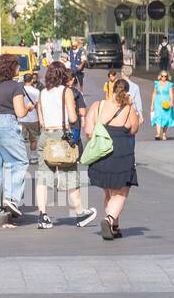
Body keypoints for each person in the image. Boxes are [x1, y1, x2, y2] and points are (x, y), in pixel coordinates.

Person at [34, 63, 97, 230]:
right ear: (63, 75)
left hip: (45, 135)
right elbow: (72, 116)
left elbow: (40, 119)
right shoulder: (66, 91)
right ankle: (80, 212)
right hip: (61, 135)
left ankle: (42, 215)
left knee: (43, 175)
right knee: (69, 173)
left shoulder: (42, 93)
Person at [86, 78, 141, 241]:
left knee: (109, 191)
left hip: (102, 152)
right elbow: (134, 129)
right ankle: (109, 219)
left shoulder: (97, 105)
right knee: (122, 192)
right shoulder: (128, 108)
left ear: (111, 89)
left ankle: (114, 227)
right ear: (127, 91)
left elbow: (88, 131)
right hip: (121, 152)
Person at [0, 54, 33, 222]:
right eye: (17, 66)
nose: (19, 69)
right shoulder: (15, 86)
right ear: (11, 68)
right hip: (5, 123)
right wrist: (28, 108)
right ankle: (11, 198)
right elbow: (19, 113)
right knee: (19, 161)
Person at [20, 72, 41, 165]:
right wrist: (40, 118)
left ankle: (22, 157)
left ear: (24, 80)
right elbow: (37, 106)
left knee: (20, 139)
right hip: (33, 118)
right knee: (33, 139)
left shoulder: (19, 90)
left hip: (21, 118)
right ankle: (33, 157)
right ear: (32, 80)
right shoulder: (36, 91)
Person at [151, 70, 174, 141]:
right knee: (158, 116)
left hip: (166, 102)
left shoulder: (169, 84)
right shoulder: (156, 83)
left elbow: (171, 94)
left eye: (165, 76)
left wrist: (171, 101)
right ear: (160, 76)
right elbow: (154, 93)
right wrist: (152, 104)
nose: (164, 77)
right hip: (158, 102)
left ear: (167, 77)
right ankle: (158, 134)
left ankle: (164, 133)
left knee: (166, 117)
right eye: (162, 76)